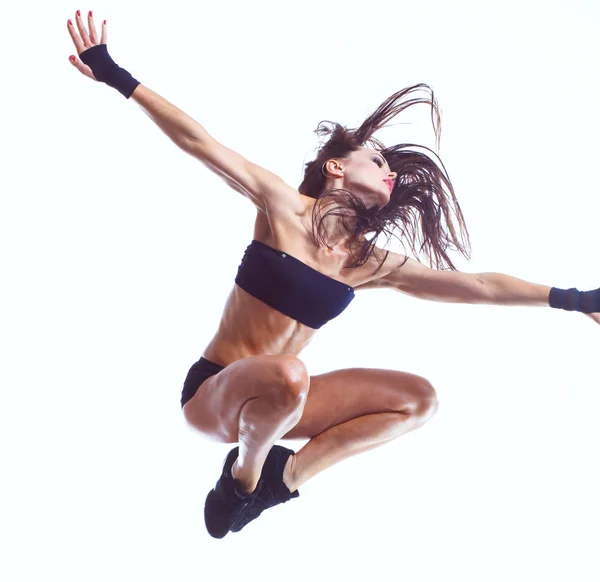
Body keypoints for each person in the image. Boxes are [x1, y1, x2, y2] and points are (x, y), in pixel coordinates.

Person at [66, 10, 600, 539]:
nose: (390, 170)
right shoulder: (282, 207)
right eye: (376, 160)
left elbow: (480, 286)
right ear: (336, 167)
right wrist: (115, 74)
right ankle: (243, 479)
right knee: (287, 373)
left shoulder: (368, 263)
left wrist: (578, 299)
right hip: (216, 394)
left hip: (282, 404)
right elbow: (199, 142)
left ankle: (285, 477)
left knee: (417, 400)